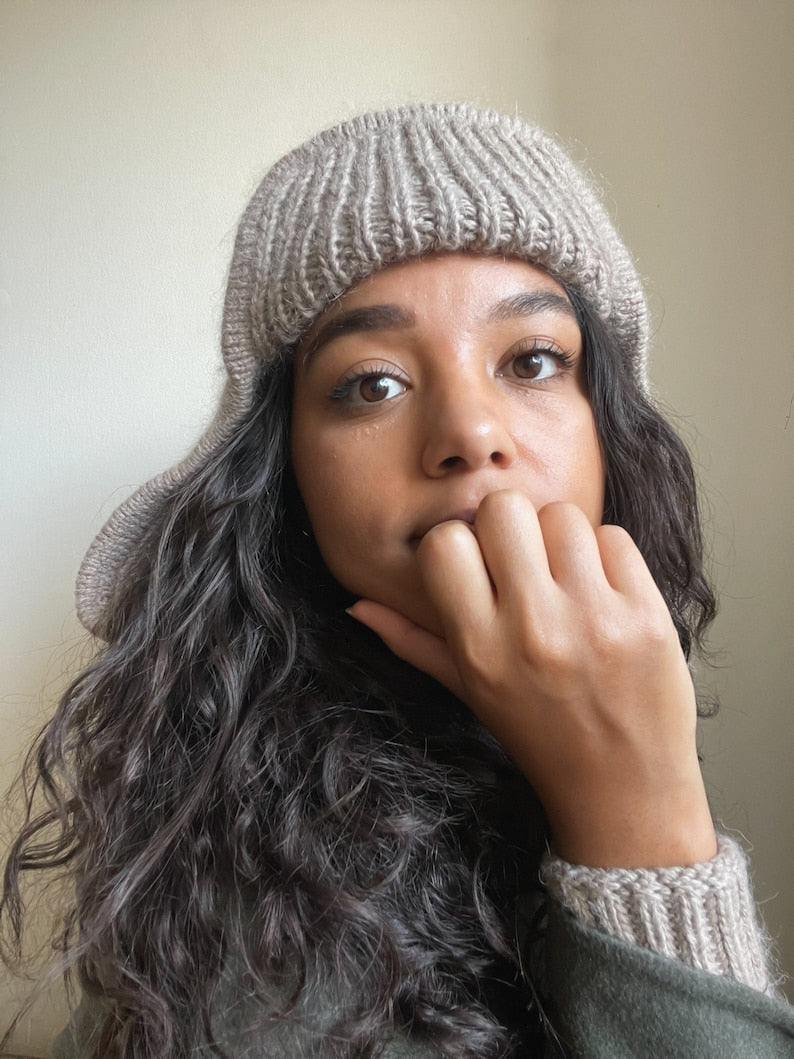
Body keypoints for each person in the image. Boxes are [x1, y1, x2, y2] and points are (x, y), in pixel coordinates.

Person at [2, 103, 793, 1058]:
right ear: (284, 473)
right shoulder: (261, 937)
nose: (469, 431)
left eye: (533, 360)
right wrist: (643, 819)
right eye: (372, 382)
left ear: (608, 427)